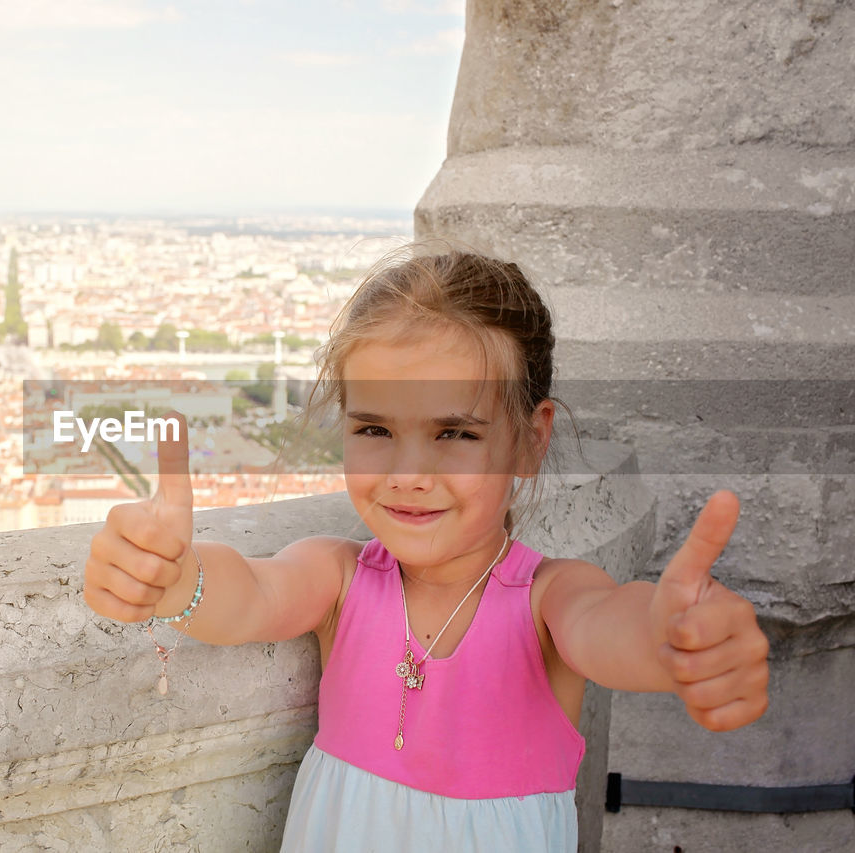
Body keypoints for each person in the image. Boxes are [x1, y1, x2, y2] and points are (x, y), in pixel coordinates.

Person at [82, 247, 770, 851]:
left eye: (454, 434)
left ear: (531, 440)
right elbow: (252, 594)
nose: (409, 472)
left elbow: (611, 623)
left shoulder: (550, 597)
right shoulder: (339, 575)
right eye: (375, 428)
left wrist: (671, 640)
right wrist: (177, 580)